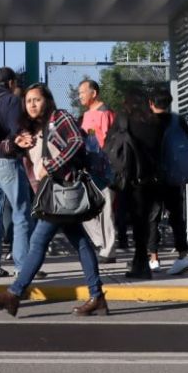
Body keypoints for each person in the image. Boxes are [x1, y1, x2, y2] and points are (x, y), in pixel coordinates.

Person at [0, 83, 108, 317]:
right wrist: (15, 143)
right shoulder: (30, 129)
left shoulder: (60, 117)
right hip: (53, 195)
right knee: (81, 243)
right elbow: (2, 147)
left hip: (63, 191)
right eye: (28, 101)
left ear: (47, 100)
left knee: (39, 241)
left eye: (37, 100)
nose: (32, 104)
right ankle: (97, 297)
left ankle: (14, 294)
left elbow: (76, 143)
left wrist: (50, 166)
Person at [0, 67, 33, 279]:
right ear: (11, 82)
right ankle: (22, 266)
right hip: (6, 161)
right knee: (21, 213)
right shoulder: (10, 101)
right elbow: (17, 130)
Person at [114, 87, 164, 279]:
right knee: (147, 222)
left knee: (135, 221)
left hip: (131, 177)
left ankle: (140, 262)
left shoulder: (124, 120)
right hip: (151, 178)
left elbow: (112, 145)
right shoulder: (155, 122)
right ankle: (141, 260)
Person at [149, 88, 188, 275]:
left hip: (154, 177)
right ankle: (183, 256)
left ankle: (154, 258)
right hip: (175, 177)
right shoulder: (179, 121)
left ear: (151, 103)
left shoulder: (147, 123)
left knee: (152, 218)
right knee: (176, 217)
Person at [77, 80, 118, 262]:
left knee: (106, 210)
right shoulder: (86, 115)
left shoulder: (106, 113)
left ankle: (108, 250)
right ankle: (101, 242)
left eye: (82, 92)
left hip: (105, 169)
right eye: (79, 93)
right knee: (83, 209)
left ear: (94, 93)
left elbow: (113, 141)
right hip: (88, 168)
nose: (80, 96)